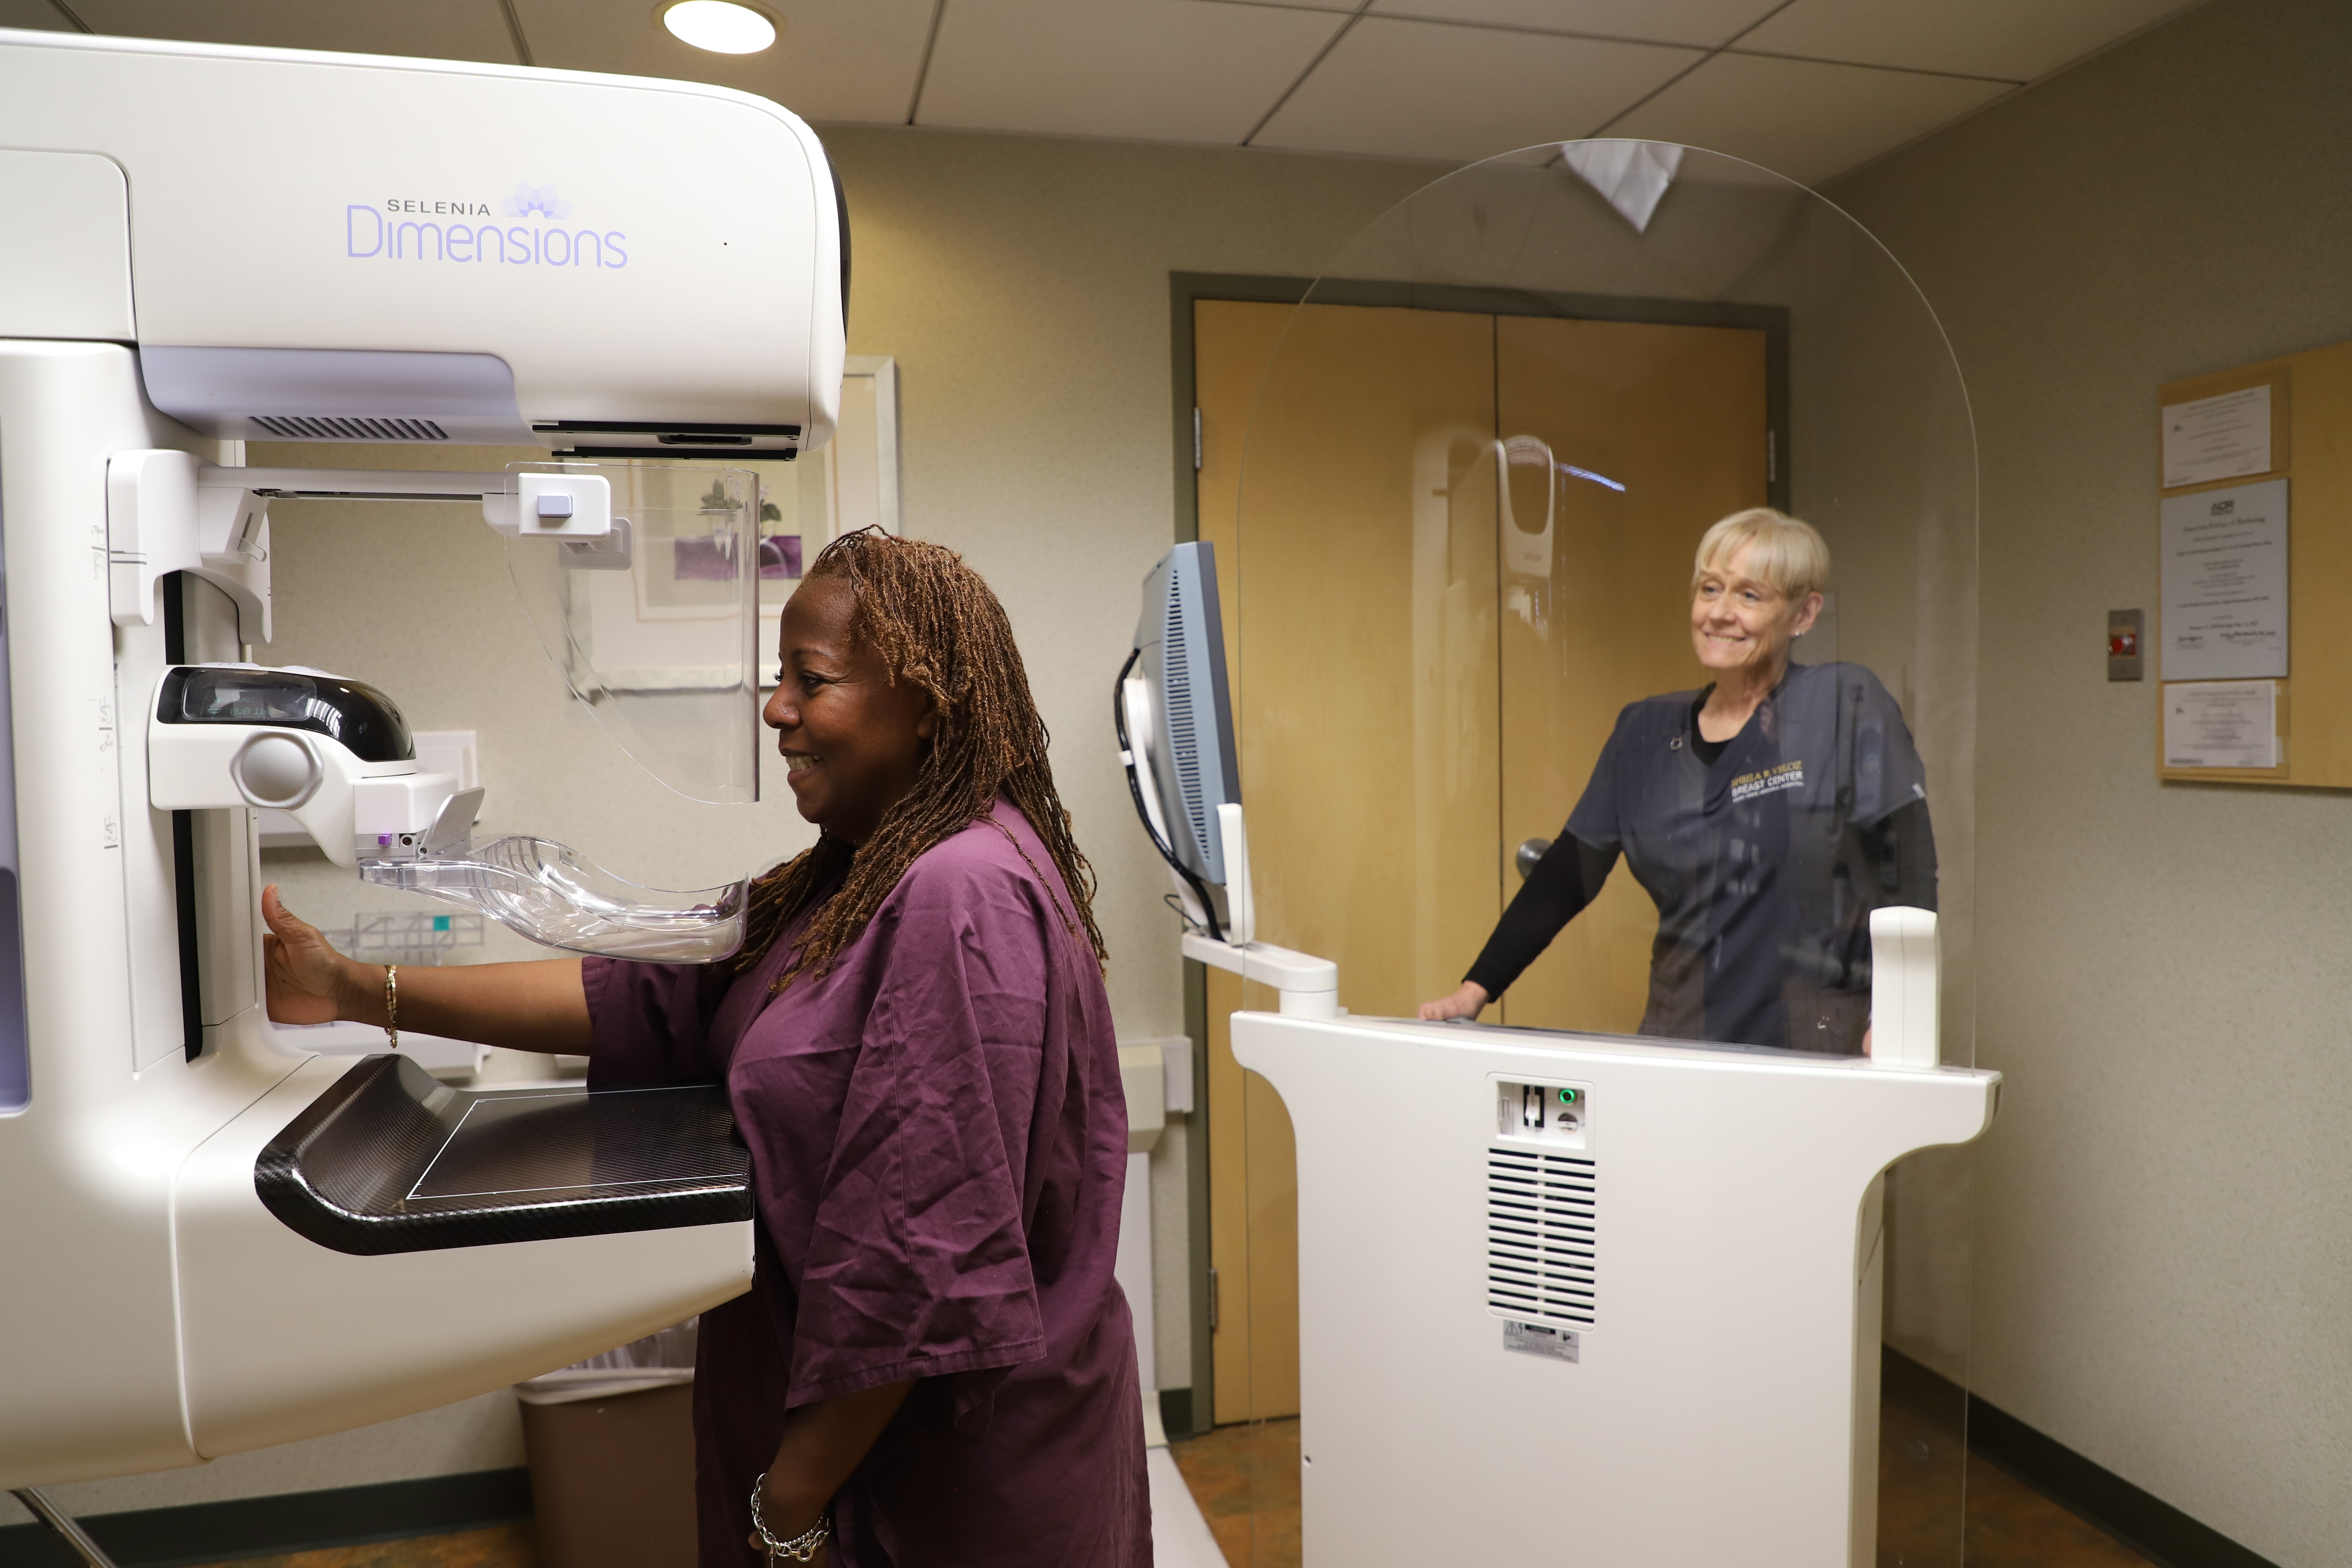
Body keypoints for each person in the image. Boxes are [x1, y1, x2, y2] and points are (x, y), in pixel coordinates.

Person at [263, 529, 1150, 1567]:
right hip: (831, 1435)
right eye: (779, 676)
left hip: (934, 1483)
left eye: (808, 680)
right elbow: (645, 992)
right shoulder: (855, 873)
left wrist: (788, 1501)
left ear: (922, 700)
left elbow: (917, 1260)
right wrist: (351, 986)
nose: (775, 708)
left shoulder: (961, 892)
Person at [1418, 508, 1934, 1055]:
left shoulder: (1843, 704)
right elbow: (1568, 875)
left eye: (1749, 596)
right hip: (1681, 1034)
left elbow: (1908, 871)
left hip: (1814, 1037)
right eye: (1709, 589)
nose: (1719, 613)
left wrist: (1899, 1013)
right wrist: (1475, 990)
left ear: (1803, 614)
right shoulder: (1643, 732)